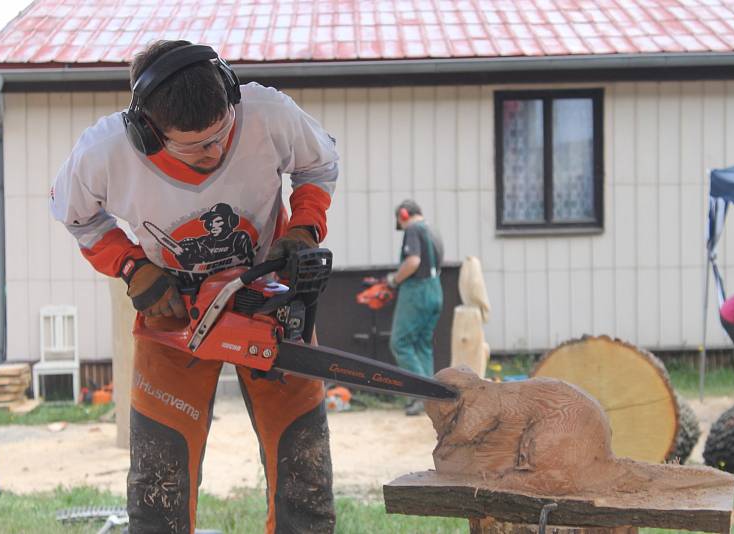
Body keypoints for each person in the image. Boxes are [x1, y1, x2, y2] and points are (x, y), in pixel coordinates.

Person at [50, 40, 339, 533]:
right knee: (158, 485)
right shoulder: (103, 153)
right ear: (147, 132)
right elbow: (77, 217)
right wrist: (130, 265)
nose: (214, 151)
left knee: (304, 476)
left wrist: (302, 229)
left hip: (269, 301)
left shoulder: (267, 113)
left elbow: (318, 165)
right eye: (195, 144)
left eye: (221, 134)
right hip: (174, 313)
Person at [386, 200, 444, 416]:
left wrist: (394, 280)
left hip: (416, 291)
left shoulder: (412, 229)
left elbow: (412, 261)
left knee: (400, 343)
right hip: (435, 289)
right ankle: (432, 395)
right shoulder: (432, 230)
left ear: (403, 215)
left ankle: (421, 395)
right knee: (422, 345)